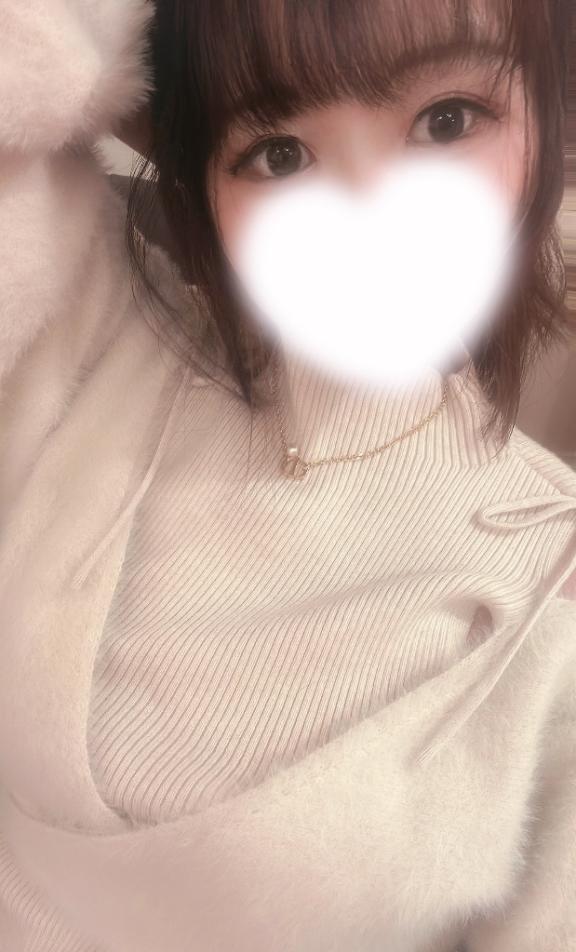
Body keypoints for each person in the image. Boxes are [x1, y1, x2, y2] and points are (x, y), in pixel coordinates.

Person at [1, 1, 576, 950]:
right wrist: (159, 76)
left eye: (447, 120)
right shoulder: (110, 349)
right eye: (277, 154)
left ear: (547, 125)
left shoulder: (546, 589)